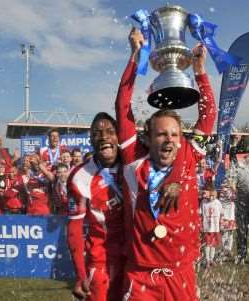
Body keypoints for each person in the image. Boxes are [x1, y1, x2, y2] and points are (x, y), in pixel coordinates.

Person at [116, 28, 216, 300]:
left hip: (180, 273)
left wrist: (200, 71)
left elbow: (208, 118)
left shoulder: (188, 153)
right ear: (148, 138)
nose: (170, 140)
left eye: (174, 134)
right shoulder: (134, 159)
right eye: (161, 134)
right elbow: (123, 106)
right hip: (141, 276)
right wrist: (135, 56)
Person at [67, 112, 125, 301]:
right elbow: (75, 229)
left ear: (119, 136)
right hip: (101, 259)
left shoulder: (134, 164)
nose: (104, 137)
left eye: (110, 131)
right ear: (91, 140)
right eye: (97, 133)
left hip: (136, 256)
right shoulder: (80, 176)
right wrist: (81, 274)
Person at [200, 183, 223, 268]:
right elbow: (201, 214)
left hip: (215, 228)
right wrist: (201, 226)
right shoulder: (203, 202)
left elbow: (221, 214)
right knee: (207, 244)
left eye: (212, 195)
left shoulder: (218, 203)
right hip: (207, 228)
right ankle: (207, 260)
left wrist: (221, 224)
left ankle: (211, 259)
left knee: (213, 244)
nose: (210, 197)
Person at [219, 178, 237, 259]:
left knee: (230, 233)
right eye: (229, 180)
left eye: (231, 180)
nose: (231, 181)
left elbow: (236, 199)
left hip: (231, 215)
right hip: (225, 215)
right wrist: (233, 189)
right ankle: (224, 249)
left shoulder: (231, 189)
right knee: (225, 233)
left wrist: (233, 189)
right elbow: (232, 198)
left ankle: (229, 249)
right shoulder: (224, 189)